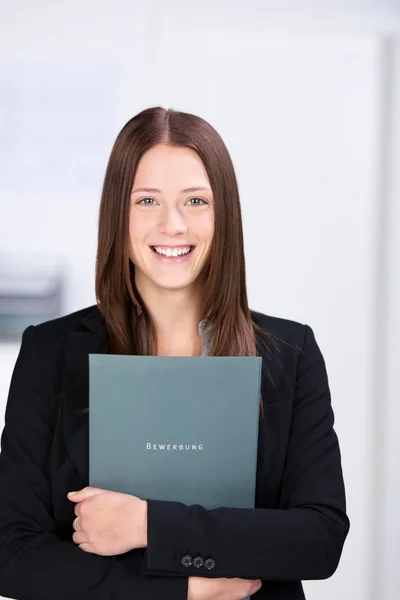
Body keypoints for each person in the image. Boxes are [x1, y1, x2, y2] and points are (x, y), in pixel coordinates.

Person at [0, 106, 350, 600]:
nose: (172, 224)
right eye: (146, 200)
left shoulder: (290, 355)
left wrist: (148, 524)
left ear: (223, 214)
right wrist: (184, 589)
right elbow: (13, 557)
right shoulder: (48, 352)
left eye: (195, 201)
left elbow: (318, 539)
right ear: (117, 214)